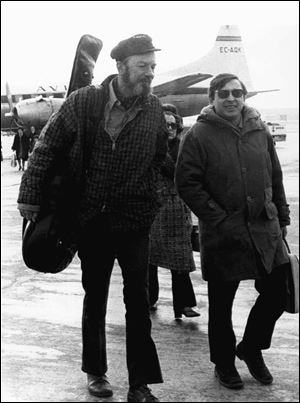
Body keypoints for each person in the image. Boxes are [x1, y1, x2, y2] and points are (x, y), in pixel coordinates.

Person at [17, 34, 168, 402]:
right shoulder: (83, 102)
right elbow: (46, 147)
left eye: (153, 66)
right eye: (142, 66)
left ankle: (140, 383)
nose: (149, 73)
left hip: (134, 222)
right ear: (120, 67)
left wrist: (153, 200)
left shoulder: (153, 111)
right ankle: (96, 373)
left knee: (138, 301)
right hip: (91, 222)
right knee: (95, 297)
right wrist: (30, 197)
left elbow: (162, 162)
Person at [175, 73, 290, 390]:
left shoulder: (259, 129)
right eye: (223, 93)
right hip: (224, 232)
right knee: (222, 304)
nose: (231, 98)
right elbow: (186, 183)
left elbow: (275, 175)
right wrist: (217, 217)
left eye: (237, 92)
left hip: (264, 228)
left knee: (278, 293)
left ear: (244, 96)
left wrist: (282, 214)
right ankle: (224, 363)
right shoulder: (198, 134)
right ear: (212, 97)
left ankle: (251, 347)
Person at [149, 103, 200, 320]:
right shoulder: (148, 147)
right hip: (153, 209)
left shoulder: (183, 148)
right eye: (164, 125)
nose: (169, 128)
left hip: (178, 210)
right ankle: (149, 298)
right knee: (149, 259)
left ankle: (184, 304)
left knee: (181, 259)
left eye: (172, 125)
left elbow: (181, 174)